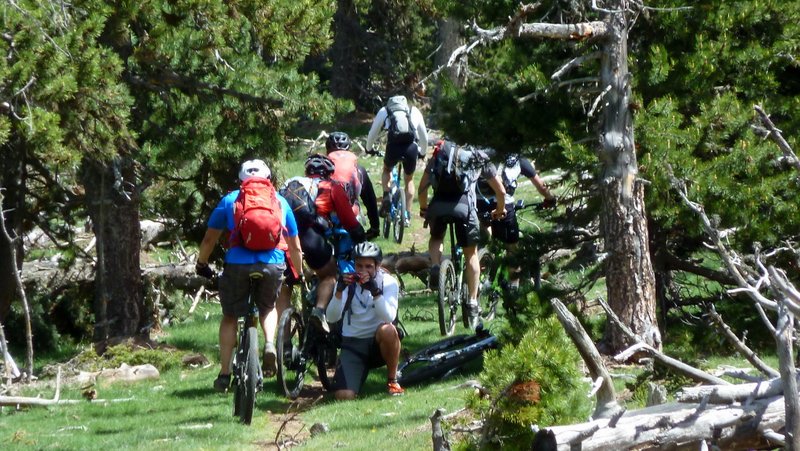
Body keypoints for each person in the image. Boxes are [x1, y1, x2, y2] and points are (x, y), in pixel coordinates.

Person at [196, 159, 303, 391]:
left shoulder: (229, 200)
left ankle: (224, 374)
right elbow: (294, 246)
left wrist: (201, 263)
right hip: (272, 264)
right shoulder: (280, 201)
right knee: (268, 307)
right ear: (269, 180)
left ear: (240, 181)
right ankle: (270, 345)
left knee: (230, 316)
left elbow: (209, 239)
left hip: (237, 264)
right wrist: (300, 273)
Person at [417, 141, 506, 326]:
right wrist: (500, 210)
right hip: (464, 208)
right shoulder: (479, 155)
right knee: (471, 253)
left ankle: (435, 266)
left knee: (436, 237)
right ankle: (473, 301)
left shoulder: (440, 153)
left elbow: (422, 187)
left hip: (439, 206)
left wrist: (424, 207)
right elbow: (501, 191)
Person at [279, 153, 367, 335]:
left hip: (283, 239)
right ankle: (319, 311)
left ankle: (284, 343)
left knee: (286, 286)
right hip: (311, 239)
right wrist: (361, 236)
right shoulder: (331, 187)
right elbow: (350, 222)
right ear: (329, 173)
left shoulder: (290, 184)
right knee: (329, 274)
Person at [326, 241, 404, 398]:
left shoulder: (388, 282)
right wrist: (339, 292)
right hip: (353, 343)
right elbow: (331, 317)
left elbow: (389, 316)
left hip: (378, 343)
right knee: (343, 396)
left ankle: (392, 380)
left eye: (368, 266)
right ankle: (354, 375)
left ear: (378, 265)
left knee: (388, 330)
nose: (363, 271)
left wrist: (375, 291)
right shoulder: (348, 282)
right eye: (359, 266)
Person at [476, 153, 557, 289]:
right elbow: (541, 186)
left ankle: (484, 264)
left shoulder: (486, 153)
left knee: (485, 234)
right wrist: (550, 198)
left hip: (479, 202)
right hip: (503, 205)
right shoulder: (518, 159)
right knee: (512, 246)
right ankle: (513, 286)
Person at [365, 95, 428, 227]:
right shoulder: (414, 110)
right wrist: (422, 153)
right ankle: (407, 216)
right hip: (411, 148)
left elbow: (373, 132)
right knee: (409, 179)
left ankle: (386, 194)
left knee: (387, 169)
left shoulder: (385, 111)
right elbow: (424, 137)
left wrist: (369, 149)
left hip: (393, 147)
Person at [325, 131, 380, 240]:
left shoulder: (322, 169)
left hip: (327, 218)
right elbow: (370, 200)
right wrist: (375, 227)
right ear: (349, 149)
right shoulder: (359, 170)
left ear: (328, 151)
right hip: (352, 215)